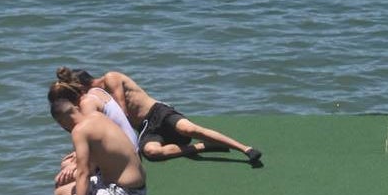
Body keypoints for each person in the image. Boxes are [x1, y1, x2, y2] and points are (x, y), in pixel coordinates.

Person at [91, 69, 263, 166]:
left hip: (158, 112)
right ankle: (203, 147)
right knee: (152, 152)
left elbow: (122, 111)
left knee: (189, 129)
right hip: (146, 127)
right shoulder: (95, 97)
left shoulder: (110, 78)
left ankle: (245, 149)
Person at [50, 68, 139, 190]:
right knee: (67, 165)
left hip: (123, 155)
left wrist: (76, 163)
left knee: (64, 176)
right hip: (130, 147)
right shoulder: (95, 92)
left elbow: (91, 138)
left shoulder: (87, 105)